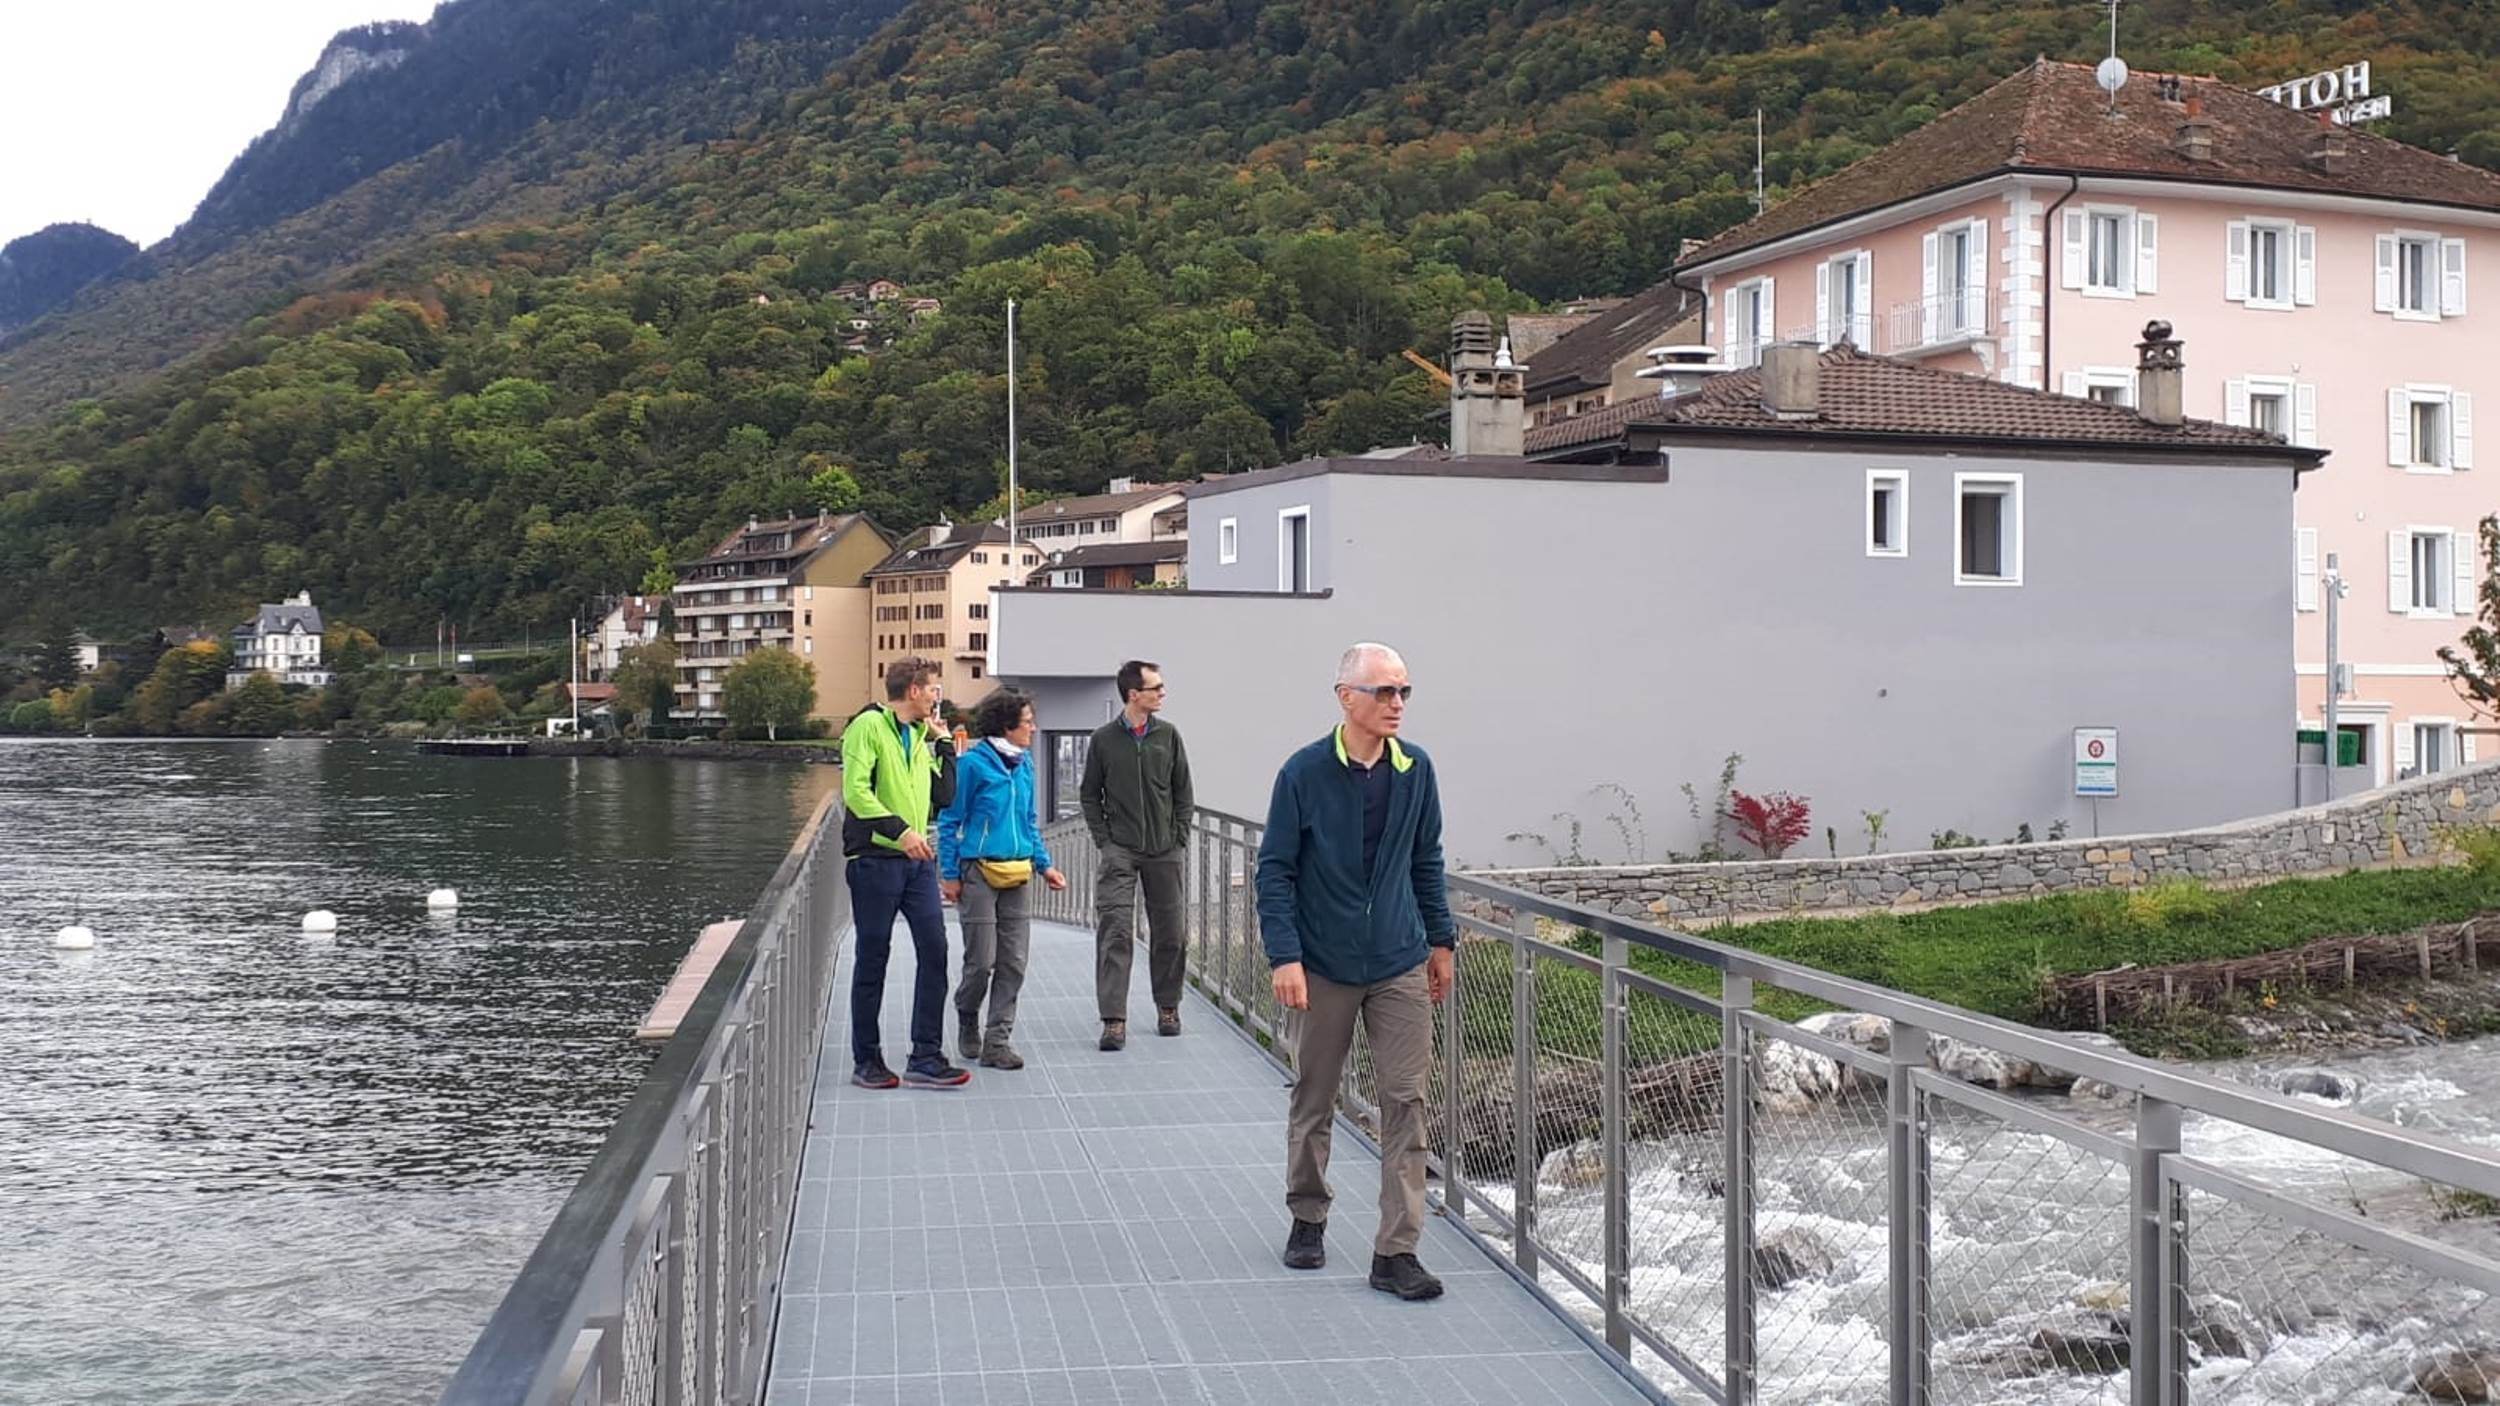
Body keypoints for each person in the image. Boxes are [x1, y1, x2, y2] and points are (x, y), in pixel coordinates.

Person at [1256, 642, 1454, 1302]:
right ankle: (1307, 1217)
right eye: (1384, 693)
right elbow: (1275, 870)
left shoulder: (1416, 769)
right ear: (1347, 697)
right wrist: (1285, 956)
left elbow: (1426, 859)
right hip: (1323, 965)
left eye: (1404, 692)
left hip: (1398, 959)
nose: (1397, 704)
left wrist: (1441, 941)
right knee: (1315, 1097)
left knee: (1407, 1102)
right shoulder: (1304, 773)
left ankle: (1397, 1251)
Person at [840, 658, 969, 1090]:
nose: (938, 695)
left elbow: (944, 796)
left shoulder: (916, 735)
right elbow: (855, 792)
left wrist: (945, 743)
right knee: (873, 957)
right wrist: (900, 832)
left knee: (935, 949)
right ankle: (867, 1059)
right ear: (914, 690)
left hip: (916, 863)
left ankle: (926, 1056)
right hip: (875, 859)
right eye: (934, 688)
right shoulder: (868, 726)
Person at [937, 688, 1067, 1070]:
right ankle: (966, 1013)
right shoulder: (975, 765)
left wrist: (1045, 865)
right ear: (1006, 725)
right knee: (982, 960)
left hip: (1018, 870)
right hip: (978, 871)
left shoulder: (1024, 764)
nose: (1033, 728)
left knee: (1014, 961)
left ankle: (998, 1041)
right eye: (1027, 722)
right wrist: (949, 874)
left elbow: (1029, 822)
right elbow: (949, 821)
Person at [1079, 659, 1194, 1051]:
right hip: (1120, 851)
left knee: (1171, 933)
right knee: (1115, 930)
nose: (1162, 693)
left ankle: (1168, 1006)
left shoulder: (1169, 736)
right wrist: (1105, 841)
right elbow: (1089, 794)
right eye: (1155, 687)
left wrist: (1178, 835)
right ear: (1134, 695)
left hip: (1165, 849)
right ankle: (1113, 1019)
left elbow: (1183, 791)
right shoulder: (1104, 740)